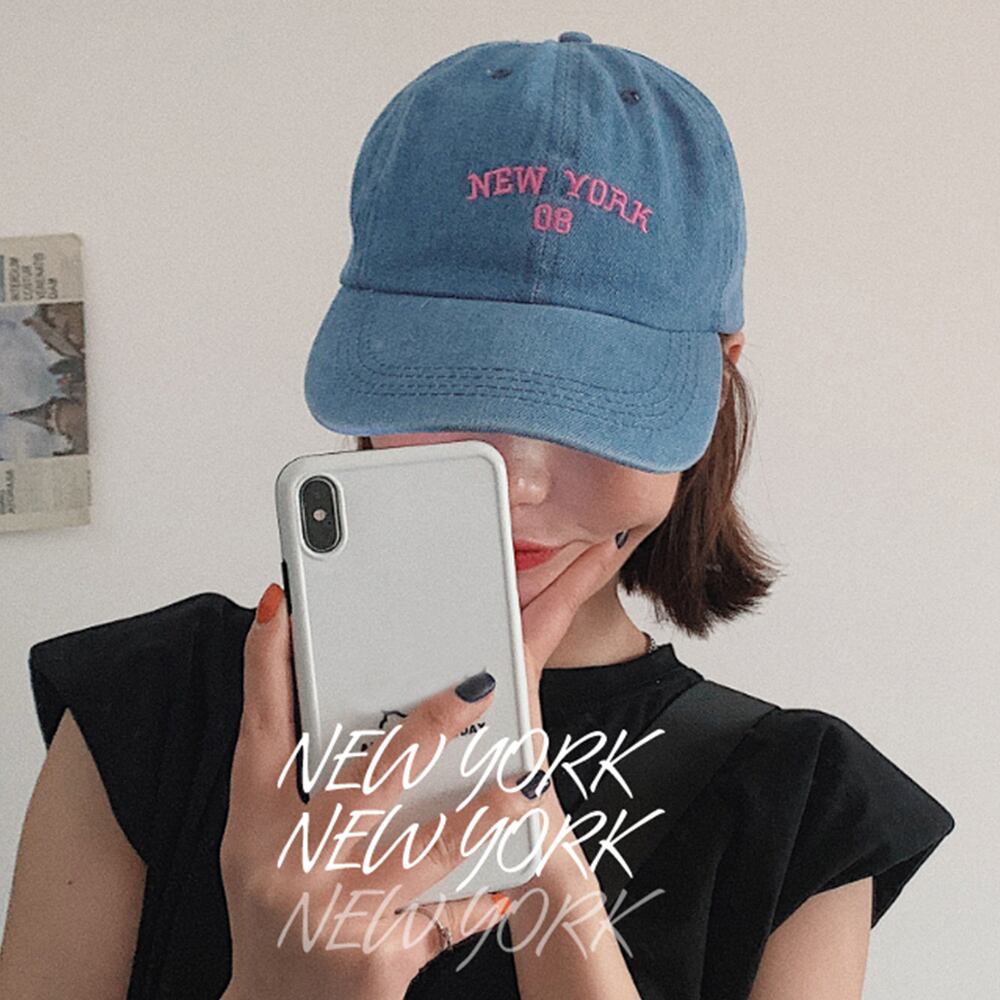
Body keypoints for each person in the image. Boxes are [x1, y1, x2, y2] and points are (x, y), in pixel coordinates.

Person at [0, 31, 954, 1000]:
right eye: (454, 386)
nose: (520, 480)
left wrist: (552, 883)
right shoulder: (150, 710)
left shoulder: (797, 806)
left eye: (592, 403)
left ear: (717, 380)